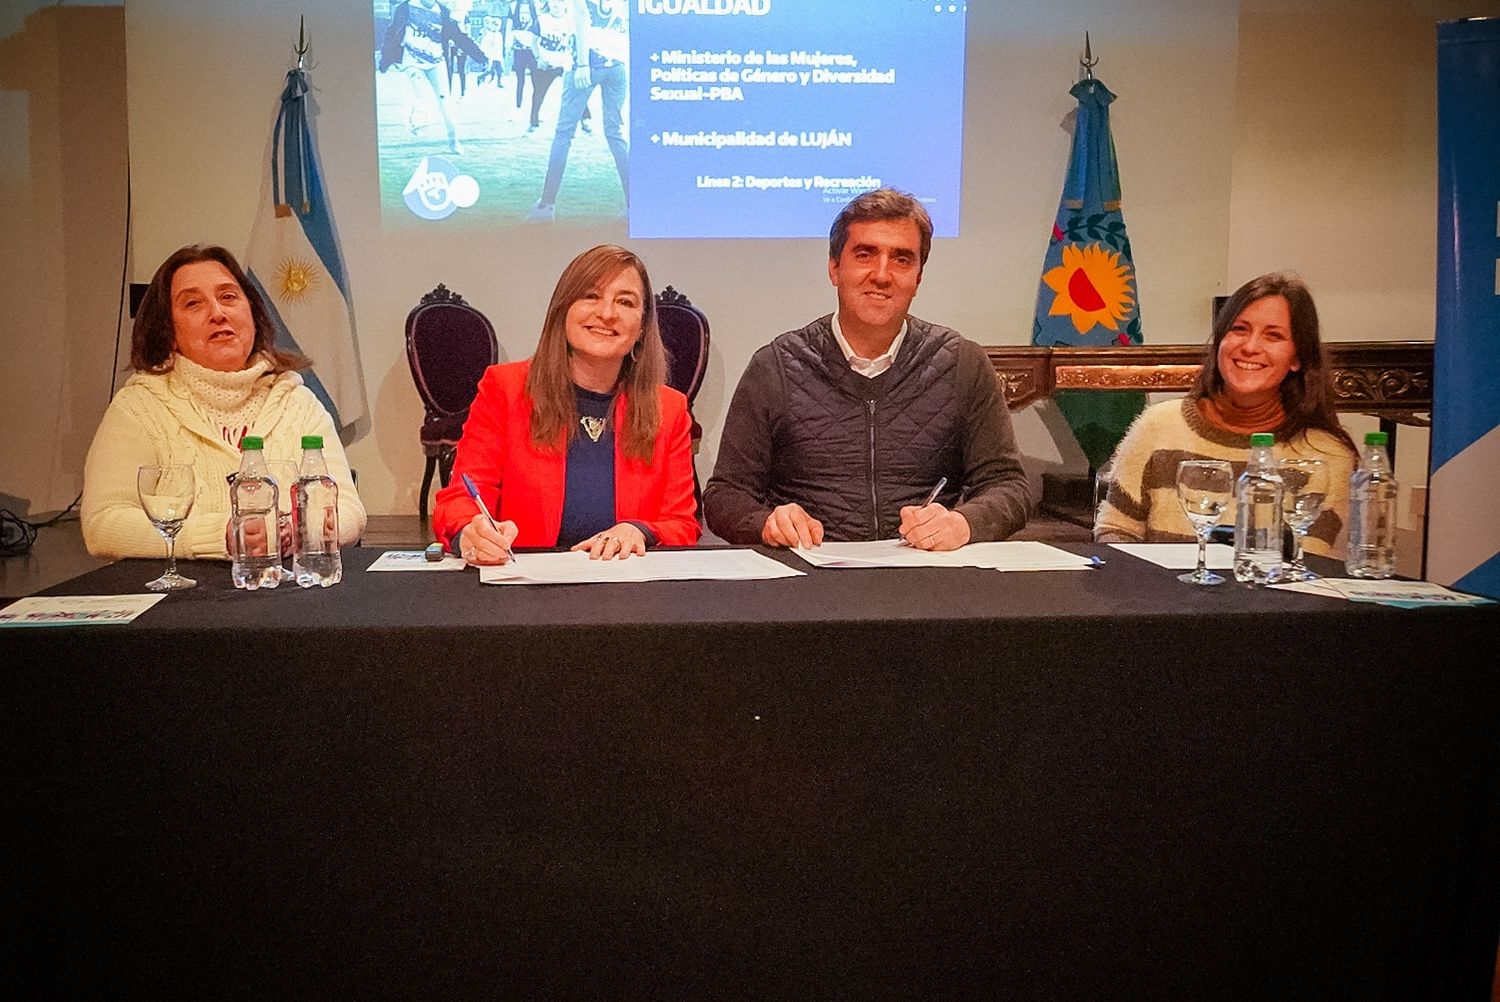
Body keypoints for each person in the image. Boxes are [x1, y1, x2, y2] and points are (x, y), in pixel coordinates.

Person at [703, 187, 1033, 549]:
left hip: (926, 578)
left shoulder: (961, 363)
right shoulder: (776, 365)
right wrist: (766, 523)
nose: (881, 274)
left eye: (902, 259)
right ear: (834, 267)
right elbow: (725, 496)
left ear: (918, 278)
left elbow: (1009, 486)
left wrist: (963, 523)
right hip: (808, 582)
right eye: (865, 254)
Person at [81, 245, 366, 560]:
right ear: (169, 332)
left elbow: (349, 509)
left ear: (252, 315)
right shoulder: (139, 406)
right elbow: (102, 524)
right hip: (183, 602)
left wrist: (312, 528)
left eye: (229, 297)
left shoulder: (297, 402)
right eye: (193, 303)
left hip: (290, 592)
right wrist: (223, 536)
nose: (218, 313)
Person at [432, 244, 699, 562]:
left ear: (642, 327)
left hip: (628, 591)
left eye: (625, 302)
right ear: (563, 310)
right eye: (591, 296)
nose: (607, 313)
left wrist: (640, 531)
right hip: (525, 590)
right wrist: (470, 533)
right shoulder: (504, 389)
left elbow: (682, 525)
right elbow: (461, 499)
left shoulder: (669, 409)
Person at [1094, 271, 1358, 557]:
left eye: (1273, 336)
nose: (1250, 347)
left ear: (1297, 358)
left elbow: (1312, 565)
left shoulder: (1327, 456)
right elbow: (1115, 531)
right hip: (1159, 598)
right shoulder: (1157, 426)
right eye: (1240, 329)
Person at [525, 0, 628, 221]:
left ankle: (546, 206)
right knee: (615, 133)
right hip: (617, 64)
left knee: (563, 134)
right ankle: (633, 205)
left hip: (587, 62)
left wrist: (583, 64)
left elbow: (581, 15)